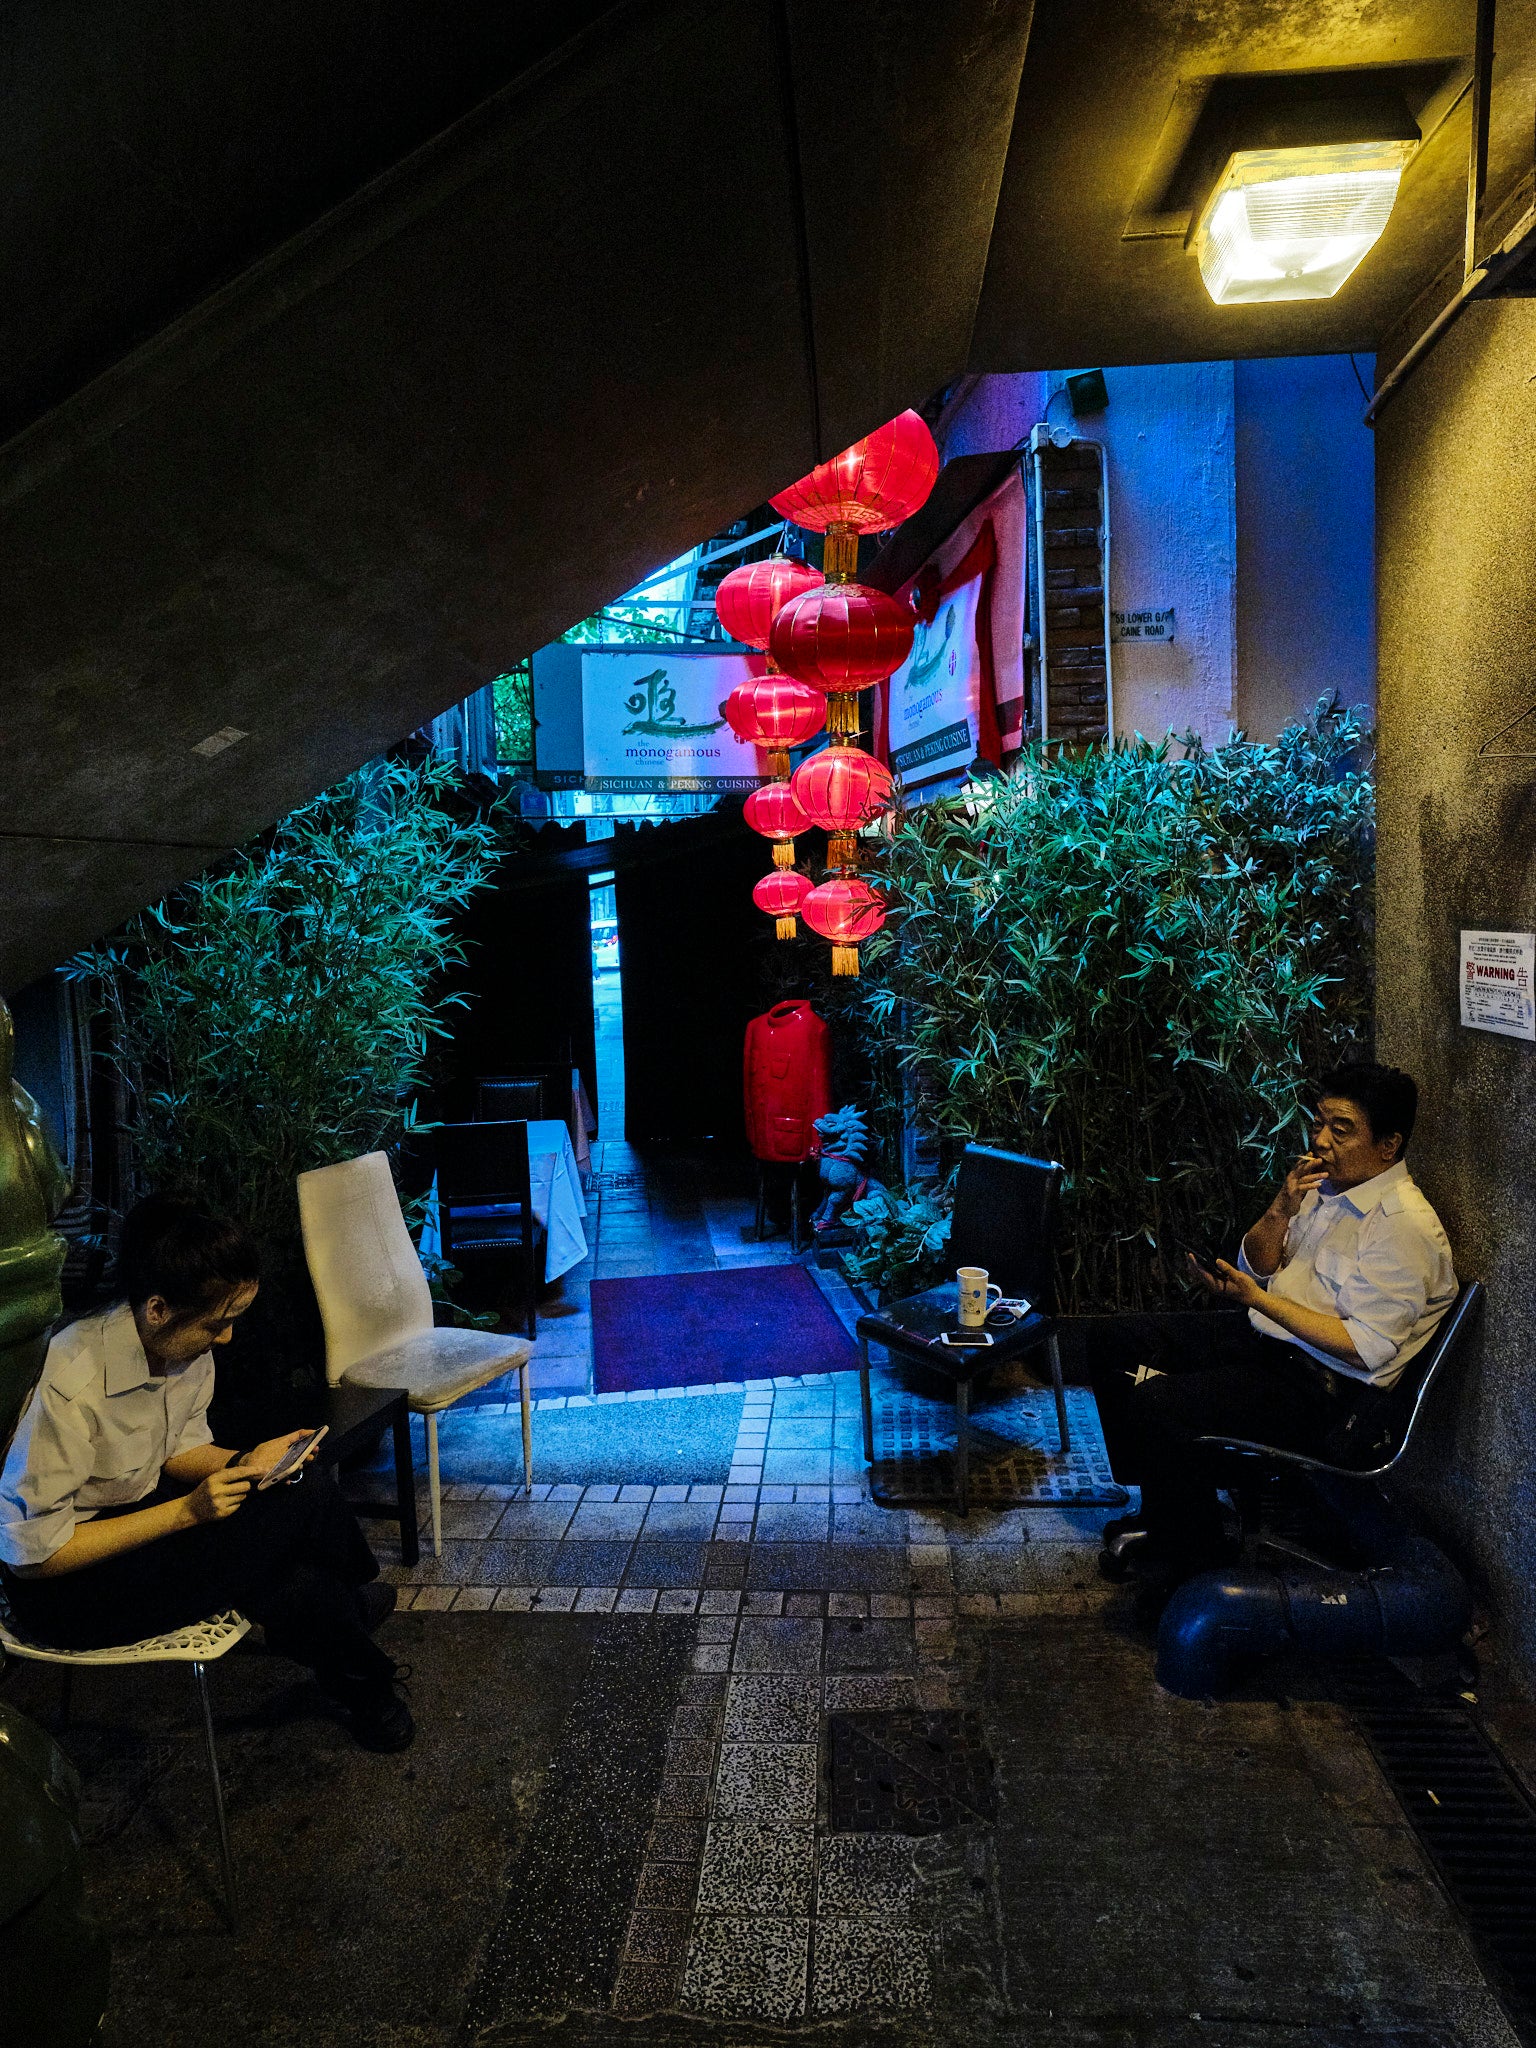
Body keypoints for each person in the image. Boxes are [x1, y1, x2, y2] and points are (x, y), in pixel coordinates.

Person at [0, 1193, 413, 1751]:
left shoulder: (180, 1348)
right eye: (218, 1324)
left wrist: (248, 1461)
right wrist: (187, 1512)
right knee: (289, 1541)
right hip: (65, 1588)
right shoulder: (69, 1386)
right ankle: (356, 1619)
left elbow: (176, 1451)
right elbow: (33, 1557)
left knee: (294, 1492)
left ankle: (362, 1672)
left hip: (135, 1519)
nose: (227, 1337)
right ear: (157, 1309)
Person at [1098, 1063, 1457, 1593]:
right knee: (1114, 1343)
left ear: (1389, 1145)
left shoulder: (1403, 1226)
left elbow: (1365, 1349)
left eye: (1342, 1129)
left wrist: (1261, 1301)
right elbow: (1259, 1267)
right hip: (1269, 1343)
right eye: (1320, 1123)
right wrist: (1281, 1208)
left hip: (1327, 1391)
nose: (1320, 1140)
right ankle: (1168, 1505)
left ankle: (1194, 1561)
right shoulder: (1324, 1187)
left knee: (1160, 1404)